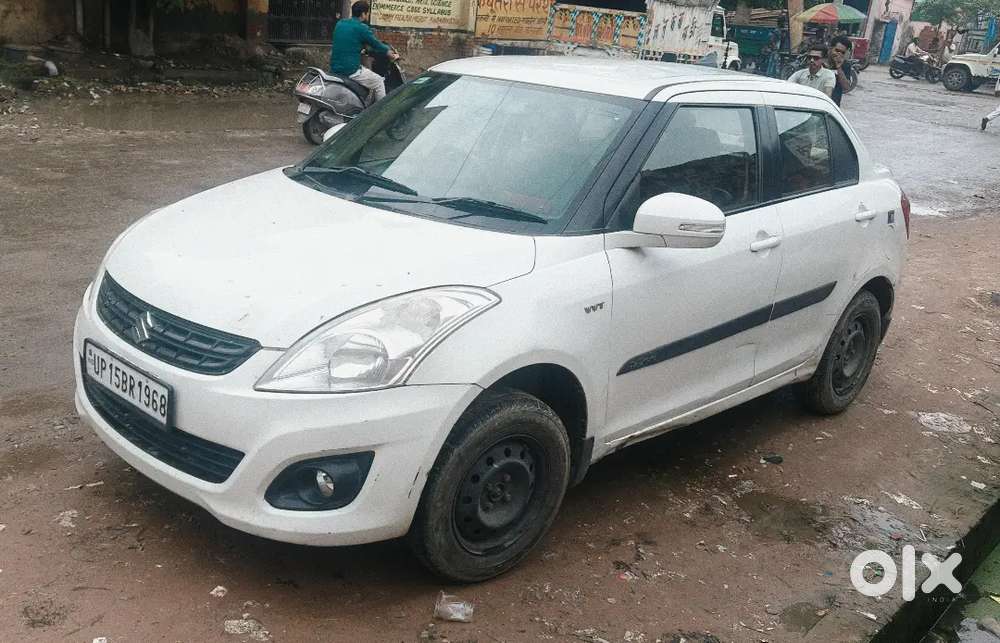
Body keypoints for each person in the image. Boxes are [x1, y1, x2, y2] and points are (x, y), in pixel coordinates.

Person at [329, 1, 399, 104]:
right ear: (363, 14)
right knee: (379, 82)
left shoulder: (340, 23)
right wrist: (389, 52)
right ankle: (380, 113)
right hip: (350, 69)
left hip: (334, 67)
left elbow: (349, 41)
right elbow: (375, 43)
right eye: (367, 13)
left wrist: (361, 48)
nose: (368, 15)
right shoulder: (361, 28)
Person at [827, 35, 853, 106]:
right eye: (837, 50)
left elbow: (846, 87)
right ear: (830, 48)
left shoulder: (845, 65)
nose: (839, 54)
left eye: (842, 52)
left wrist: (839, 67)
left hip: (833, 105)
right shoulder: (820, 60)